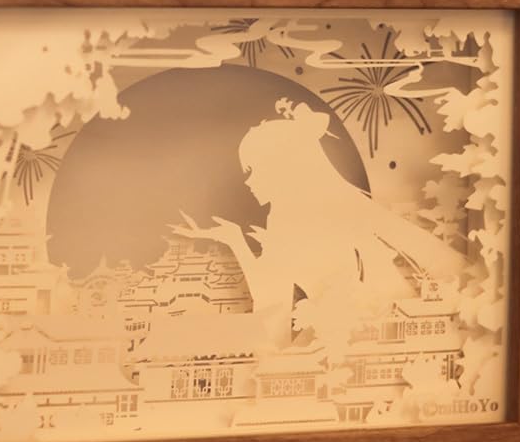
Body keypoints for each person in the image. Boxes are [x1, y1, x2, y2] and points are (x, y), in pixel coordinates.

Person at [173, 99, 466, 348]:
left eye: (253, 170)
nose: (248, 182)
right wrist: (235, 240)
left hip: (383, 331)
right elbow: (273, 302)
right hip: (336, 339)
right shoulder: (279, 222)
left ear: (283, 166)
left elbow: (430, 253)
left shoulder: (338, 205)